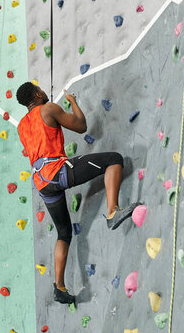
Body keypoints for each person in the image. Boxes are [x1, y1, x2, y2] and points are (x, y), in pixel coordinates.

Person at [16, 82, 141, 305]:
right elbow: (81, 126)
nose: (44, 91)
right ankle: (112, 212)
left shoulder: (21, 126)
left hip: (42, 184)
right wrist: (73, 102)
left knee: (63, 233)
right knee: (114, 160)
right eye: (41, 89)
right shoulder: (49, 108)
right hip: (58, 171)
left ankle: (60, 287)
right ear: (37, 94)